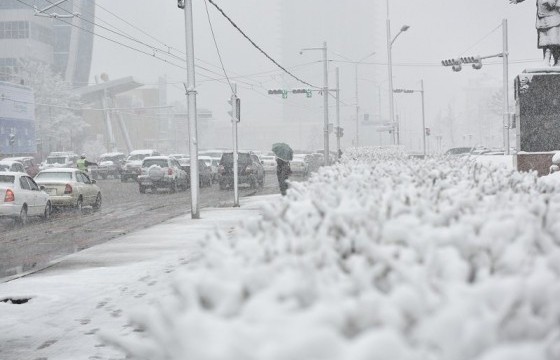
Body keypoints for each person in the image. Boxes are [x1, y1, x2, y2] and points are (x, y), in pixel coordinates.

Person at [511, 0, 560, 66]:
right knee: (544, 40)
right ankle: (548, 60)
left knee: (554, 39)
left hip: (554, 14)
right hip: (542, 15)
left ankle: (553, 60)